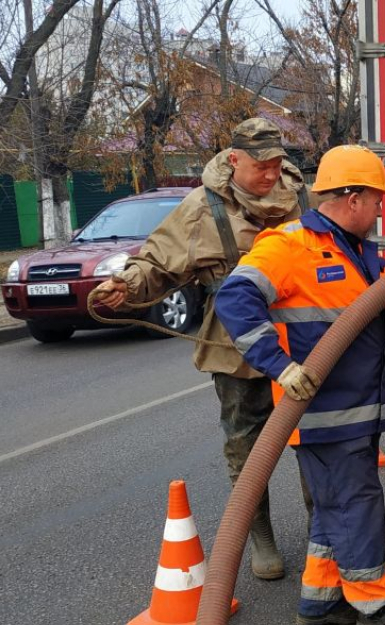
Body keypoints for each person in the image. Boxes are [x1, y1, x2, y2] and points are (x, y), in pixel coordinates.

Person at [214, 144, 385, 625]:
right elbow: (235, 297)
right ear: (352, 198)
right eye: (377, 199)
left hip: (357, 409)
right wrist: (281, 367)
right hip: (323, 413)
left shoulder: (360, 251)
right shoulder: (289, 246)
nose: (381, 209)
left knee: (335, 506)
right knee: (356, 505)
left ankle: (320, 602)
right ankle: (377, 610)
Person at [94, 117, 306, 581]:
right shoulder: (201, 207)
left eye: (276, 163)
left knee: (316, 438)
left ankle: (325, 533)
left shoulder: (300, 196)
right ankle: (261, 537)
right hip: (235, 344)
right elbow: (157, 260)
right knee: (245, 443)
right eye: (260, 165)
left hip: (304, 335)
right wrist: (126, 285)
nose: (270, 174)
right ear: (234, 160)